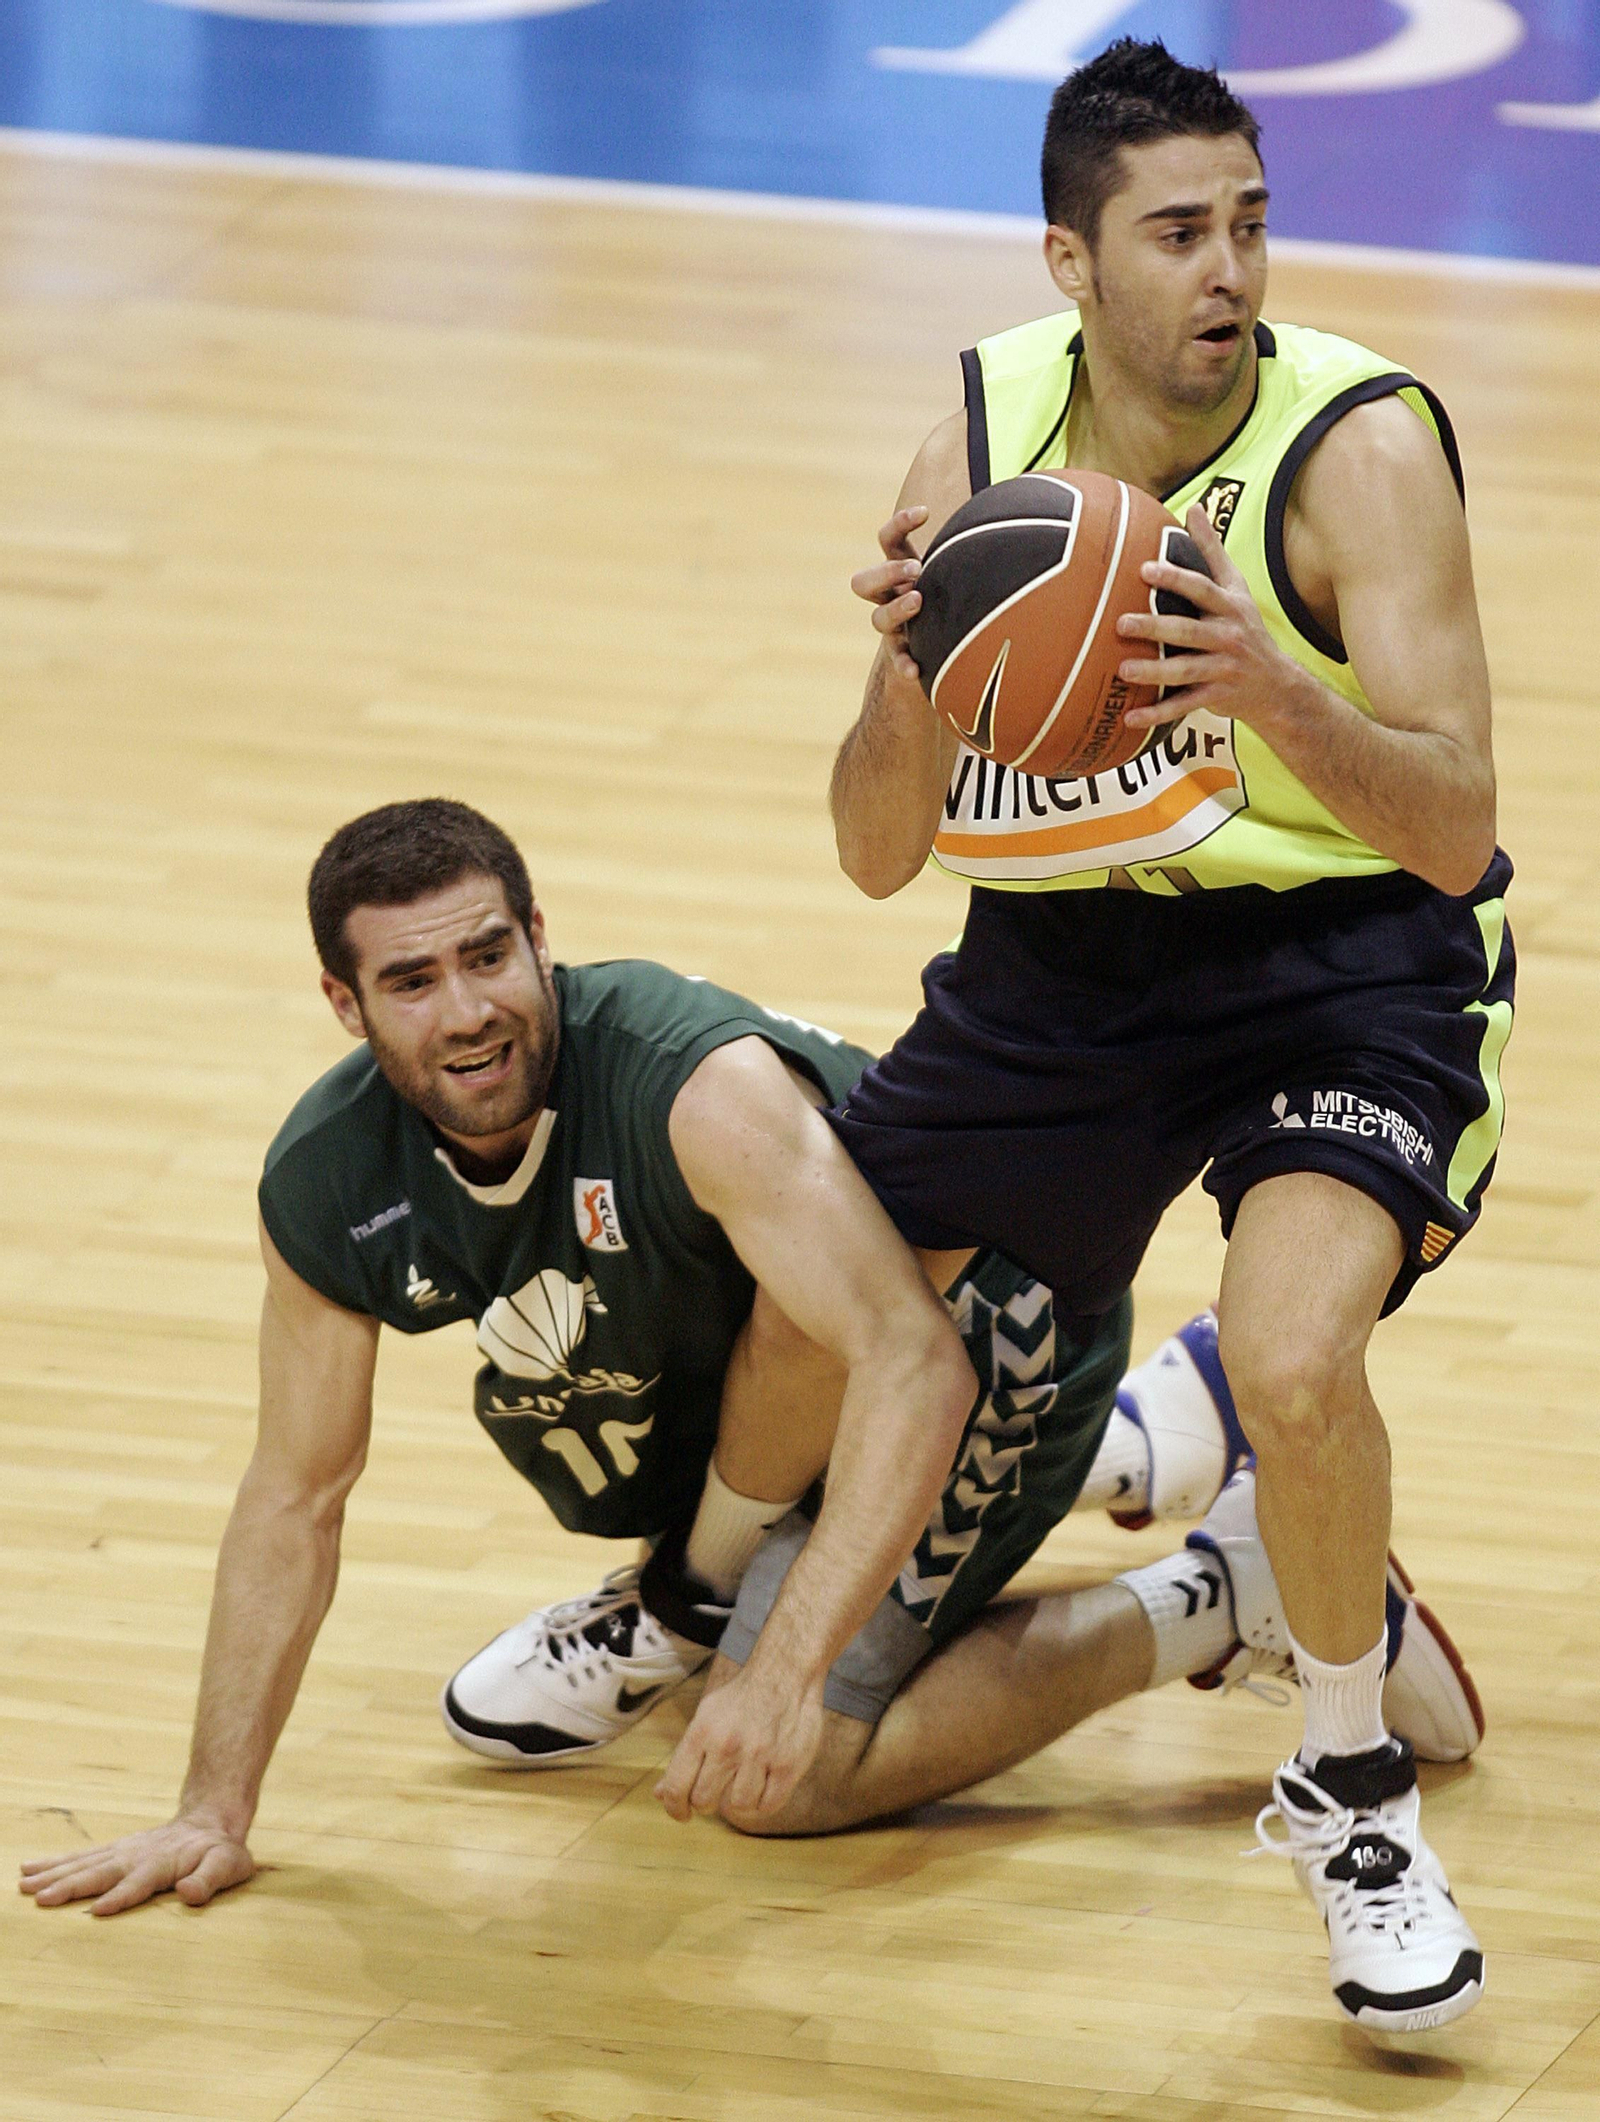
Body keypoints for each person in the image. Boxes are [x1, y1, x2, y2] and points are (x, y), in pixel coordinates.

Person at [16, 798, 1481, 1923]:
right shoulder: (329, 1176)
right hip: (808, 1377)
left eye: (488, 955)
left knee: (790, 1777)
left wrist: (781, 1677)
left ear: (539, 935)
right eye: (412, 981)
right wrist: (213, 1809)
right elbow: (294, 1495)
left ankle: (1220, 1591)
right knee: (662, 1417)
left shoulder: (691, 1087)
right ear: (345, 1005)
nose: (467, 1011)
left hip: (988, 1330)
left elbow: (913, 1364)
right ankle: (1139, 1441)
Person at [826, 38, 1507, 2034]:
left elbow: (1457, 824)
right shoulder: (977, 445)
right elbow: (873, 854)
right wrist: (908, 677)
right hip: (1070, 950)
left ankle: (1351, 1789)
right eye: (1179, 232)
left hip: (1343, 953)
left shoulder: (1357, 447)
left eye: (1250, 223)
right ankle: (682, 1595)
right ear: (1070, 260)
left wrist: (1269, 688)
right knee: (817, 1288)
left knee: (1296, 1353)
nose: (1230, 268)